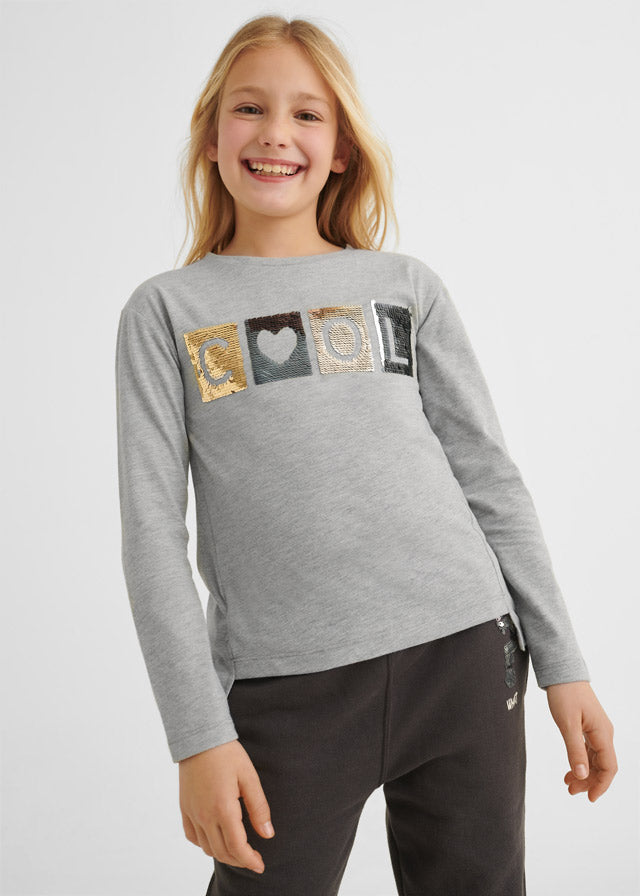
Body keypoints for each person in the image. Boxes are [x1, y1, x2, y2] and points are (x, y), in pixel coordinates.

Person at [114, 13, 618, 896]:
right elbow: (153, 533)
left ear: (342, 148)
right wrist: (197, 736)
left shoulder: (403, 287)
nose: (276, 133)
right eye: (249, 109)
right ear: (211, 135)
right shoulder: (166, 312)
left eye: (307, 115)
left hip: (466, 660)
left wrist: (563, 664)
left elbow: (489, 479)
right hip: (287, 694)